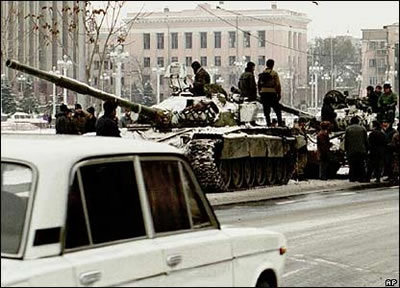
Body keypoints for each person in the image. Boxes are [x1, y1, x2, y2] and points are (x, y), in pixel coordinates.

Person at [258, 59, 283, 127]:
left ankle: (268, 123)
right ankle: (280, 123)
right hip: (272, 93)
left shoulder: (262, 73)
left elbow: (259, 84)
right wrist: (279, 94)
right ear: (273, 65)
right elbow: (278, 84)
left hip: (263, 93)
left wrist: (260, 93)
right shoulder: (274, 73)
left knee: (266, 109)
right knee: (277, 109)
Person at [345, 116, 369, 182]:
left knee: (352, 165)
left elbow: (346, 141)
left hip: (351, 150)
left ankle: (352, 178)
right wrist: (367, 149)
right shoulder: (363, 129)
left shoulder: (348, 129)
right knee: (361, 165)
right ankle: (361, 178)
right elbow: (366, 140)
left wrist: (346, 149)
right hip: (361, 149)